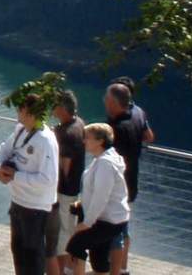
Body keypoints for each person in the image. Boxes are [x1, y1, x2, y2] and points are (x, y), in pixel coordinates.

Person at [0, 93, 59, 275]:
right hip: (18, 201)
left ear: (29, 113)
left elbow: (48, 179)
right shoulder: (20, 130)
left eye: (20, 109)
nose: (17, 112)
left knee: (33, 253)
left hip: (35, 206)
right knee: (18, 250)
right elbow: (3, 150)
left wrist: (16, 176)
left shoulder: (45, 140)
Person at [105, 82, 155, 275]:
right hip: (132, 181)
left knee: (114, 229)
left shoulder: (116, 127)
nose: (105, 102)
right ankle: (122, 268)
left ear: (115, 101)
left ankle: (115, 269)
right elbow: (149, 136)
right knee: (123, 226)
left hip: (116, 185)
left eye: (107, 99)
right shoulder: (139, 113)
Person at [67, 123, 131, 274]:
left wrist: (87, 223)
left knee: (76, 245)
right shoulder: (102, 159)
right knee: (99, 258)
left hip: (107, 220)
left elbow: (101, 196)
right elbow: (96, 192)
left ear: (100, 141)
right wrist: (83, 203)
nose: (84, 141)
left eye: (87, 138)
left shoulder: (105, 163)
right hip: (108, 218)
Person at [50, 91, 88, 275]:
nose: (52, 109)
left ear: (63, 109)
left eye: (55, 105)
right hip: (74, 187)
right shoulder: (79, 123)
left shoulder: (67, 134)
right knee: (69, 227)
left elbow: (65, 166)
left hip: (64, 190)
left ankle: (62, 268)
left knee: (64, 230)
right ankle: (68, 267)